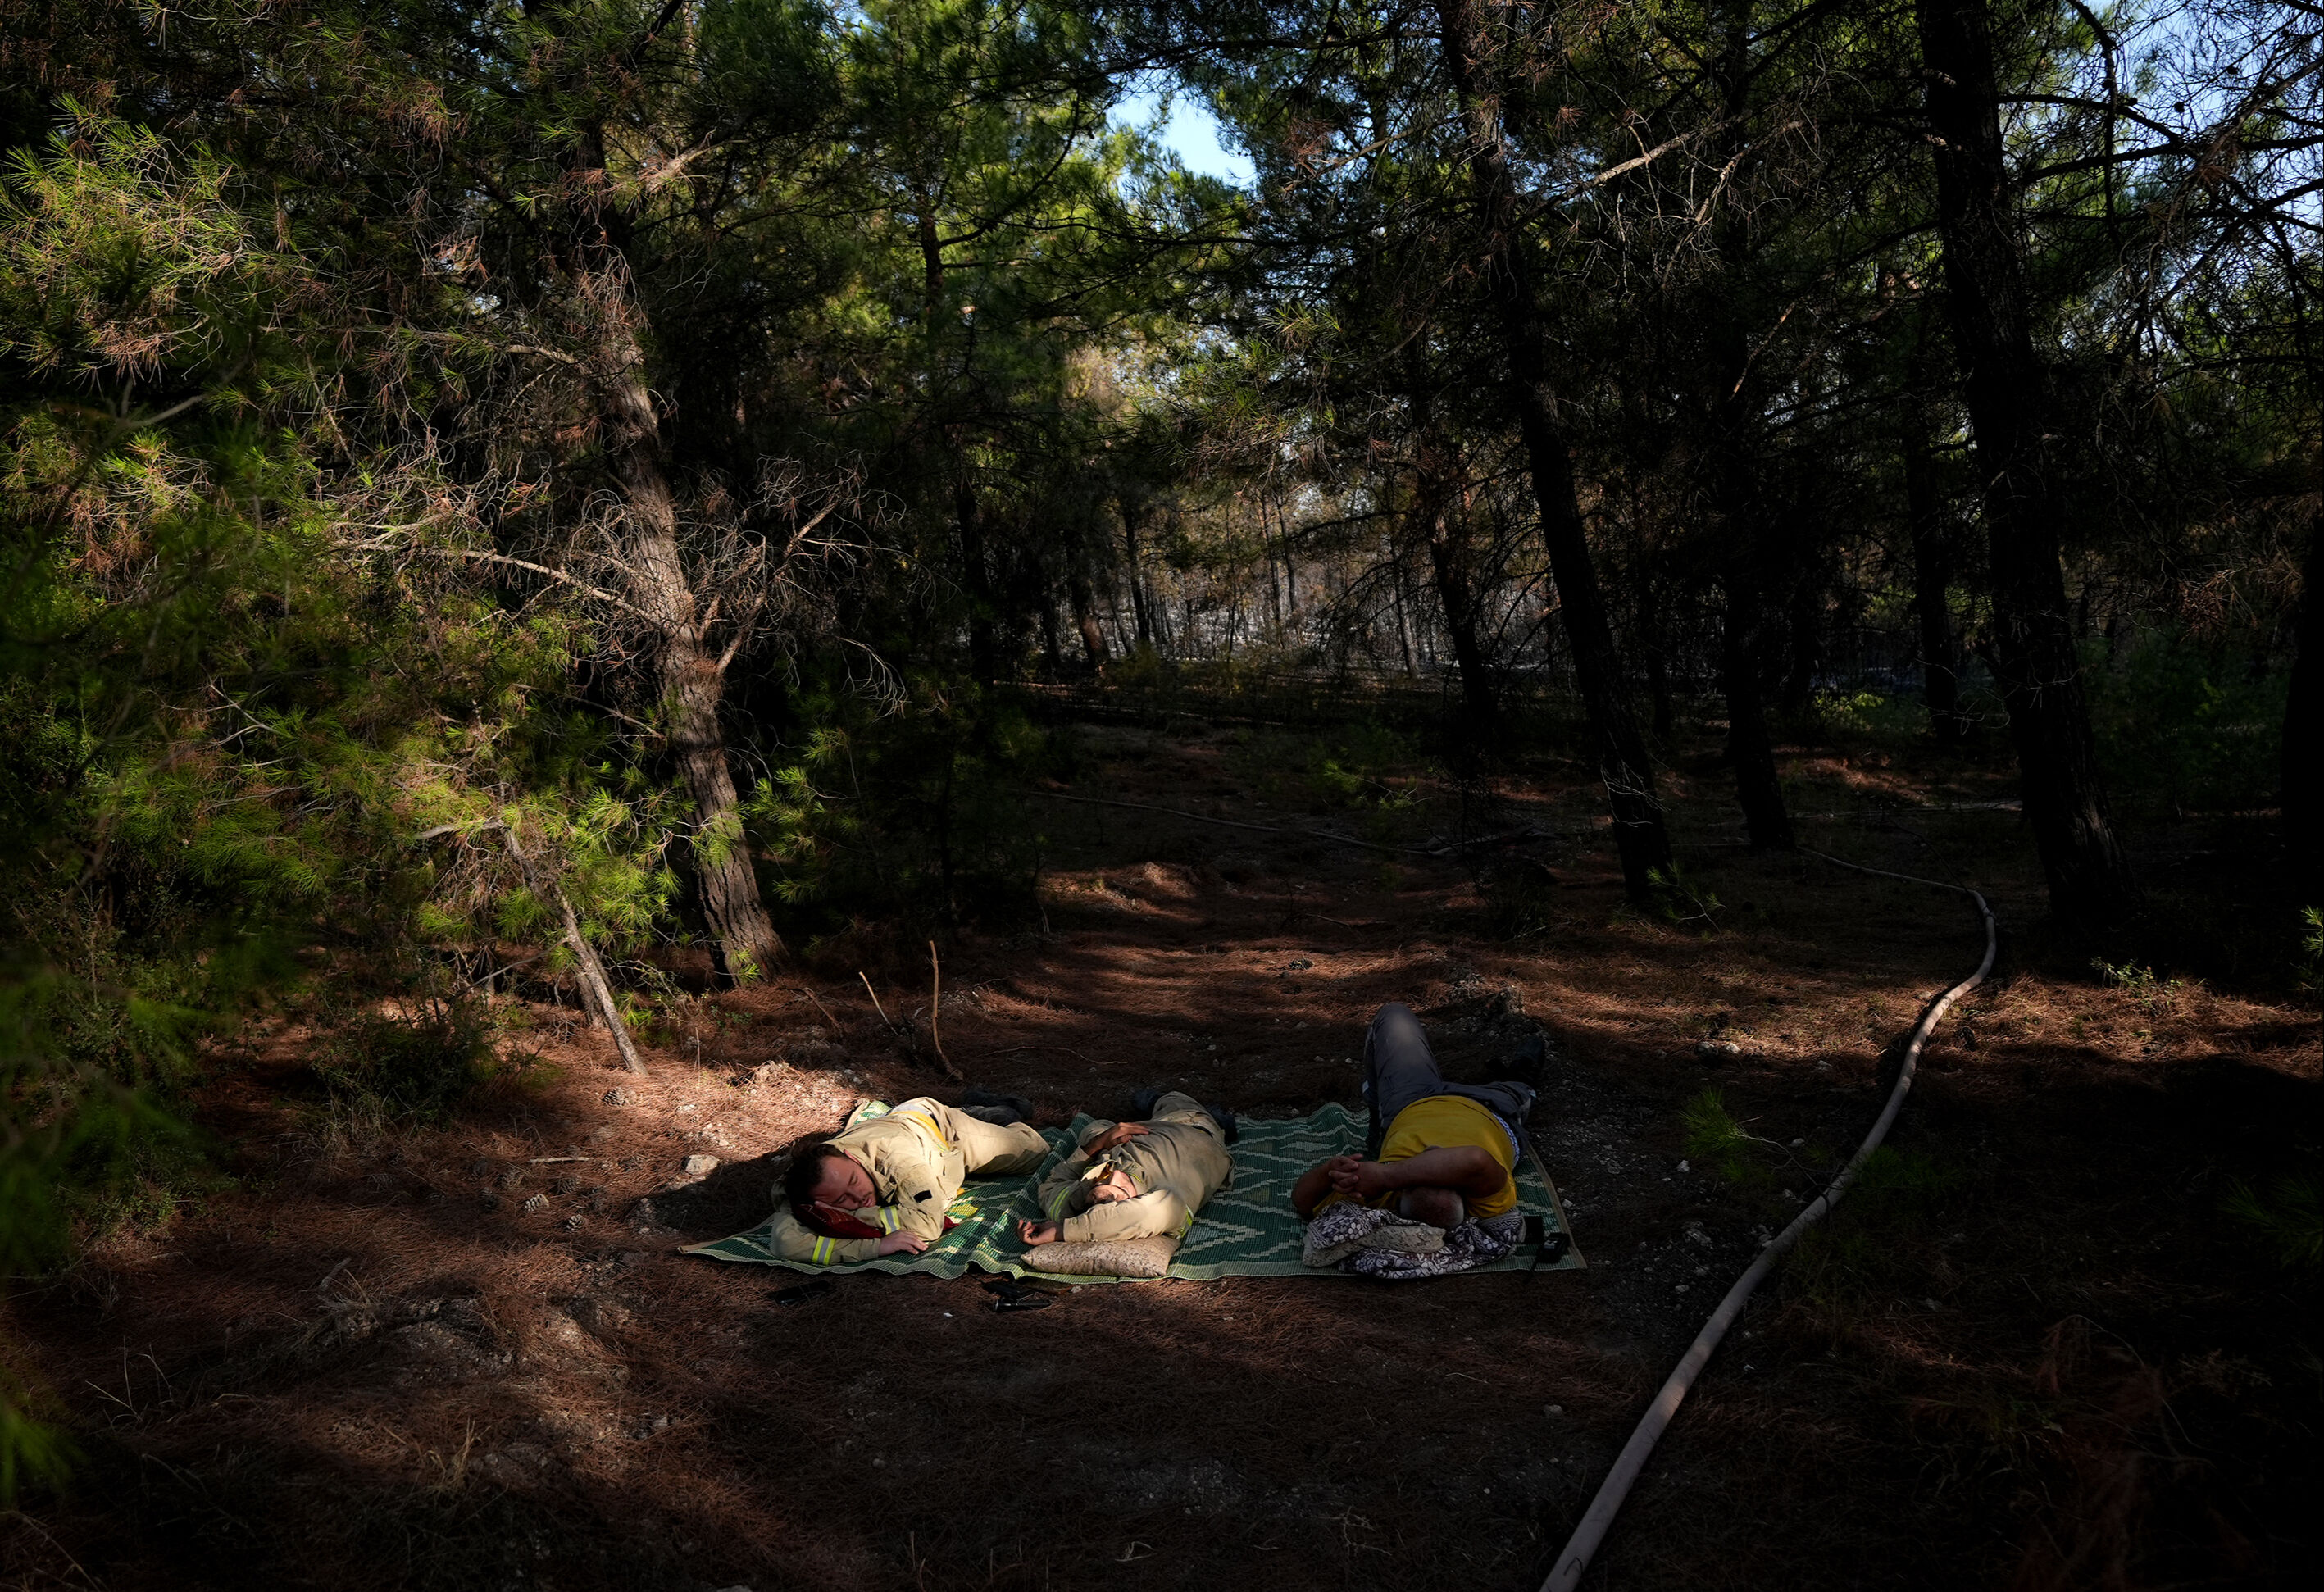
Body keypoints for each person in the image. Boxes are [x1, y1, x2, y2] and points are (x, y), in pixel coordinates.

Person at [1292, 1003, 1535, 1230]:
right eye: (1444, 1173)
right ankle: (1523, 1071)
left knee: (1393, 1013)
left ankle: (1377, 1129)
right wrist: (1386, 1176)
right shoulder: (1487, 1205)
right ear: (1462, 1191)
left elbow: (1303, 1202)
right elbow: (1475, 1160)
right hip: (1493, 1107)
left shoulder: (1380, 1199)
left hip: (1409, 1102)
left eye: (1424, 1168)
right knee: (1523, 1085)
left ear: (1401, 1194)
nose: (1433, 1150)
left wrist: (1330, 1171)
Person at [765, 1095, 1050, 1266]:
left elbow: (927, 1225)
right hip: (890, 1128)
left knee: (1036, 1150)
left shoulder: (898, 1156)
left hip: (937, 1127)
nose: (859, 1197)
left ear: (852, 1159)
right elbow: (785, 1245)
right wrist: (876, 1247)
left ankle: (983, 1112)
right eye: (842, 1200)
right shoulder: (797, 1187)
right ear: (817, 1202)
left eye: (854, 1180)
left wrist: (854, 1216)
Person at [1016, 1090, 1234, 1248]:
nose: (1113, 1177)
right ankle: (1216, 1120)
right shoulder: (1166, 1196)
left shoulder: (1072, 1204)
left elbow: (1051, 1187)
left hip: (1114, 1145)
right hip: (1185, 1127)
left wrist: (1098, 1144)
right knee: (1173, 1098)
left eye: (1102, 1182)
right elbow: (1146, 1213)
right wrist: (1061, 1232)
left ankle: (1115, 1126)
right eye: (1112, 1201)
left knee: (1093, 1127)